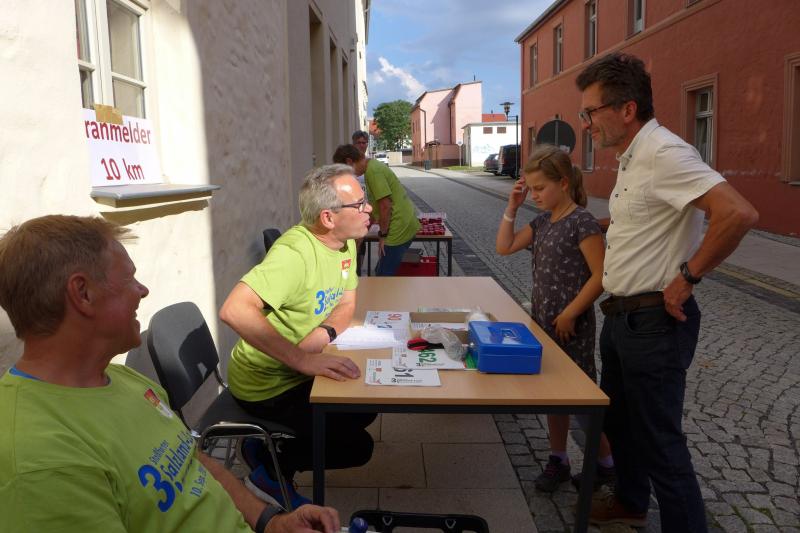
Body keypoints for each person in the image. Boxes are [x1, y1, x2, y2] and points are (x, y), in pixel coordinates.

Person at [0, 215, 341, 533]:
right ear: (83, 294)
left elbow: (194, 461)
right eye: (128, 278)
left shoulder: (122, 380)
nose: (142, 290)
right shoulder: (41, 463)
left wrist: (271, 521)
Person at [575, 53, 758, 530]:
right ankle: (631, 502)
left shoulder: (664, 153)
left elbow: (737, 213)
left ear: (627, 109)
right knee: (620, 423)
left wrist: (688, 277)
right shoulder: (633, 158)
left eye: (591, 111)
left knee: (659, 439)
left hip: (655, 320)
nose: (586, 123)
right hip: (622, 318)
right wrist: (595, 224)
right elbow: (646, 216)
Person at [220, 164, 377, 509]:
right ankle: (269, 471)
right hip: (266, 384)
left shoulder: (345, 244)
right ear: (328, 218)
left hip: (295, 371)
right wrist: (301, 359)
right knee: (358, 446)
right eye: (359, 204)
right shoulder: (294, 254)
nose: (369, 208)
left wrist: (322, 336)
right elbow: (234, 309)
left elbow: (346, 303)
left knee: (366, 406)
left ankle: (263, 449)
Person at [495, 144, 615, 493]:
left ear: (563, 183)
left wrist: (570, 313)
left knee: (580, 399)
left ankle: (607, 464)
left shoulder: (582, 222)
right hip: (545, 321)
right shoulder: (543, 221)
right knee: (553, 394)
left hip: (571, 325)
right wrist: (512, 208)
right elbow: (504, 247)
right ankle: (558, 458)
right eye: (531, 189)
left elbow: (600, 276)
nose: (534, 195)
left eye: (540, 188)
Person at [332, 144, 421, 276]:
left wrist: (383, 236)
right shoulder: (372, 167)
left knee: (383, 275)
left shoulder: (373, 172)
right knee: (381, 271)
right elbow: (376, 208)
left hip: (399, 226)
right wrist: (363, 234)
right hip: (404, 222)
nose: (349, 175)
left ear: (349, 162)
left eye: (344, 171)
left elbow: (385, 206)